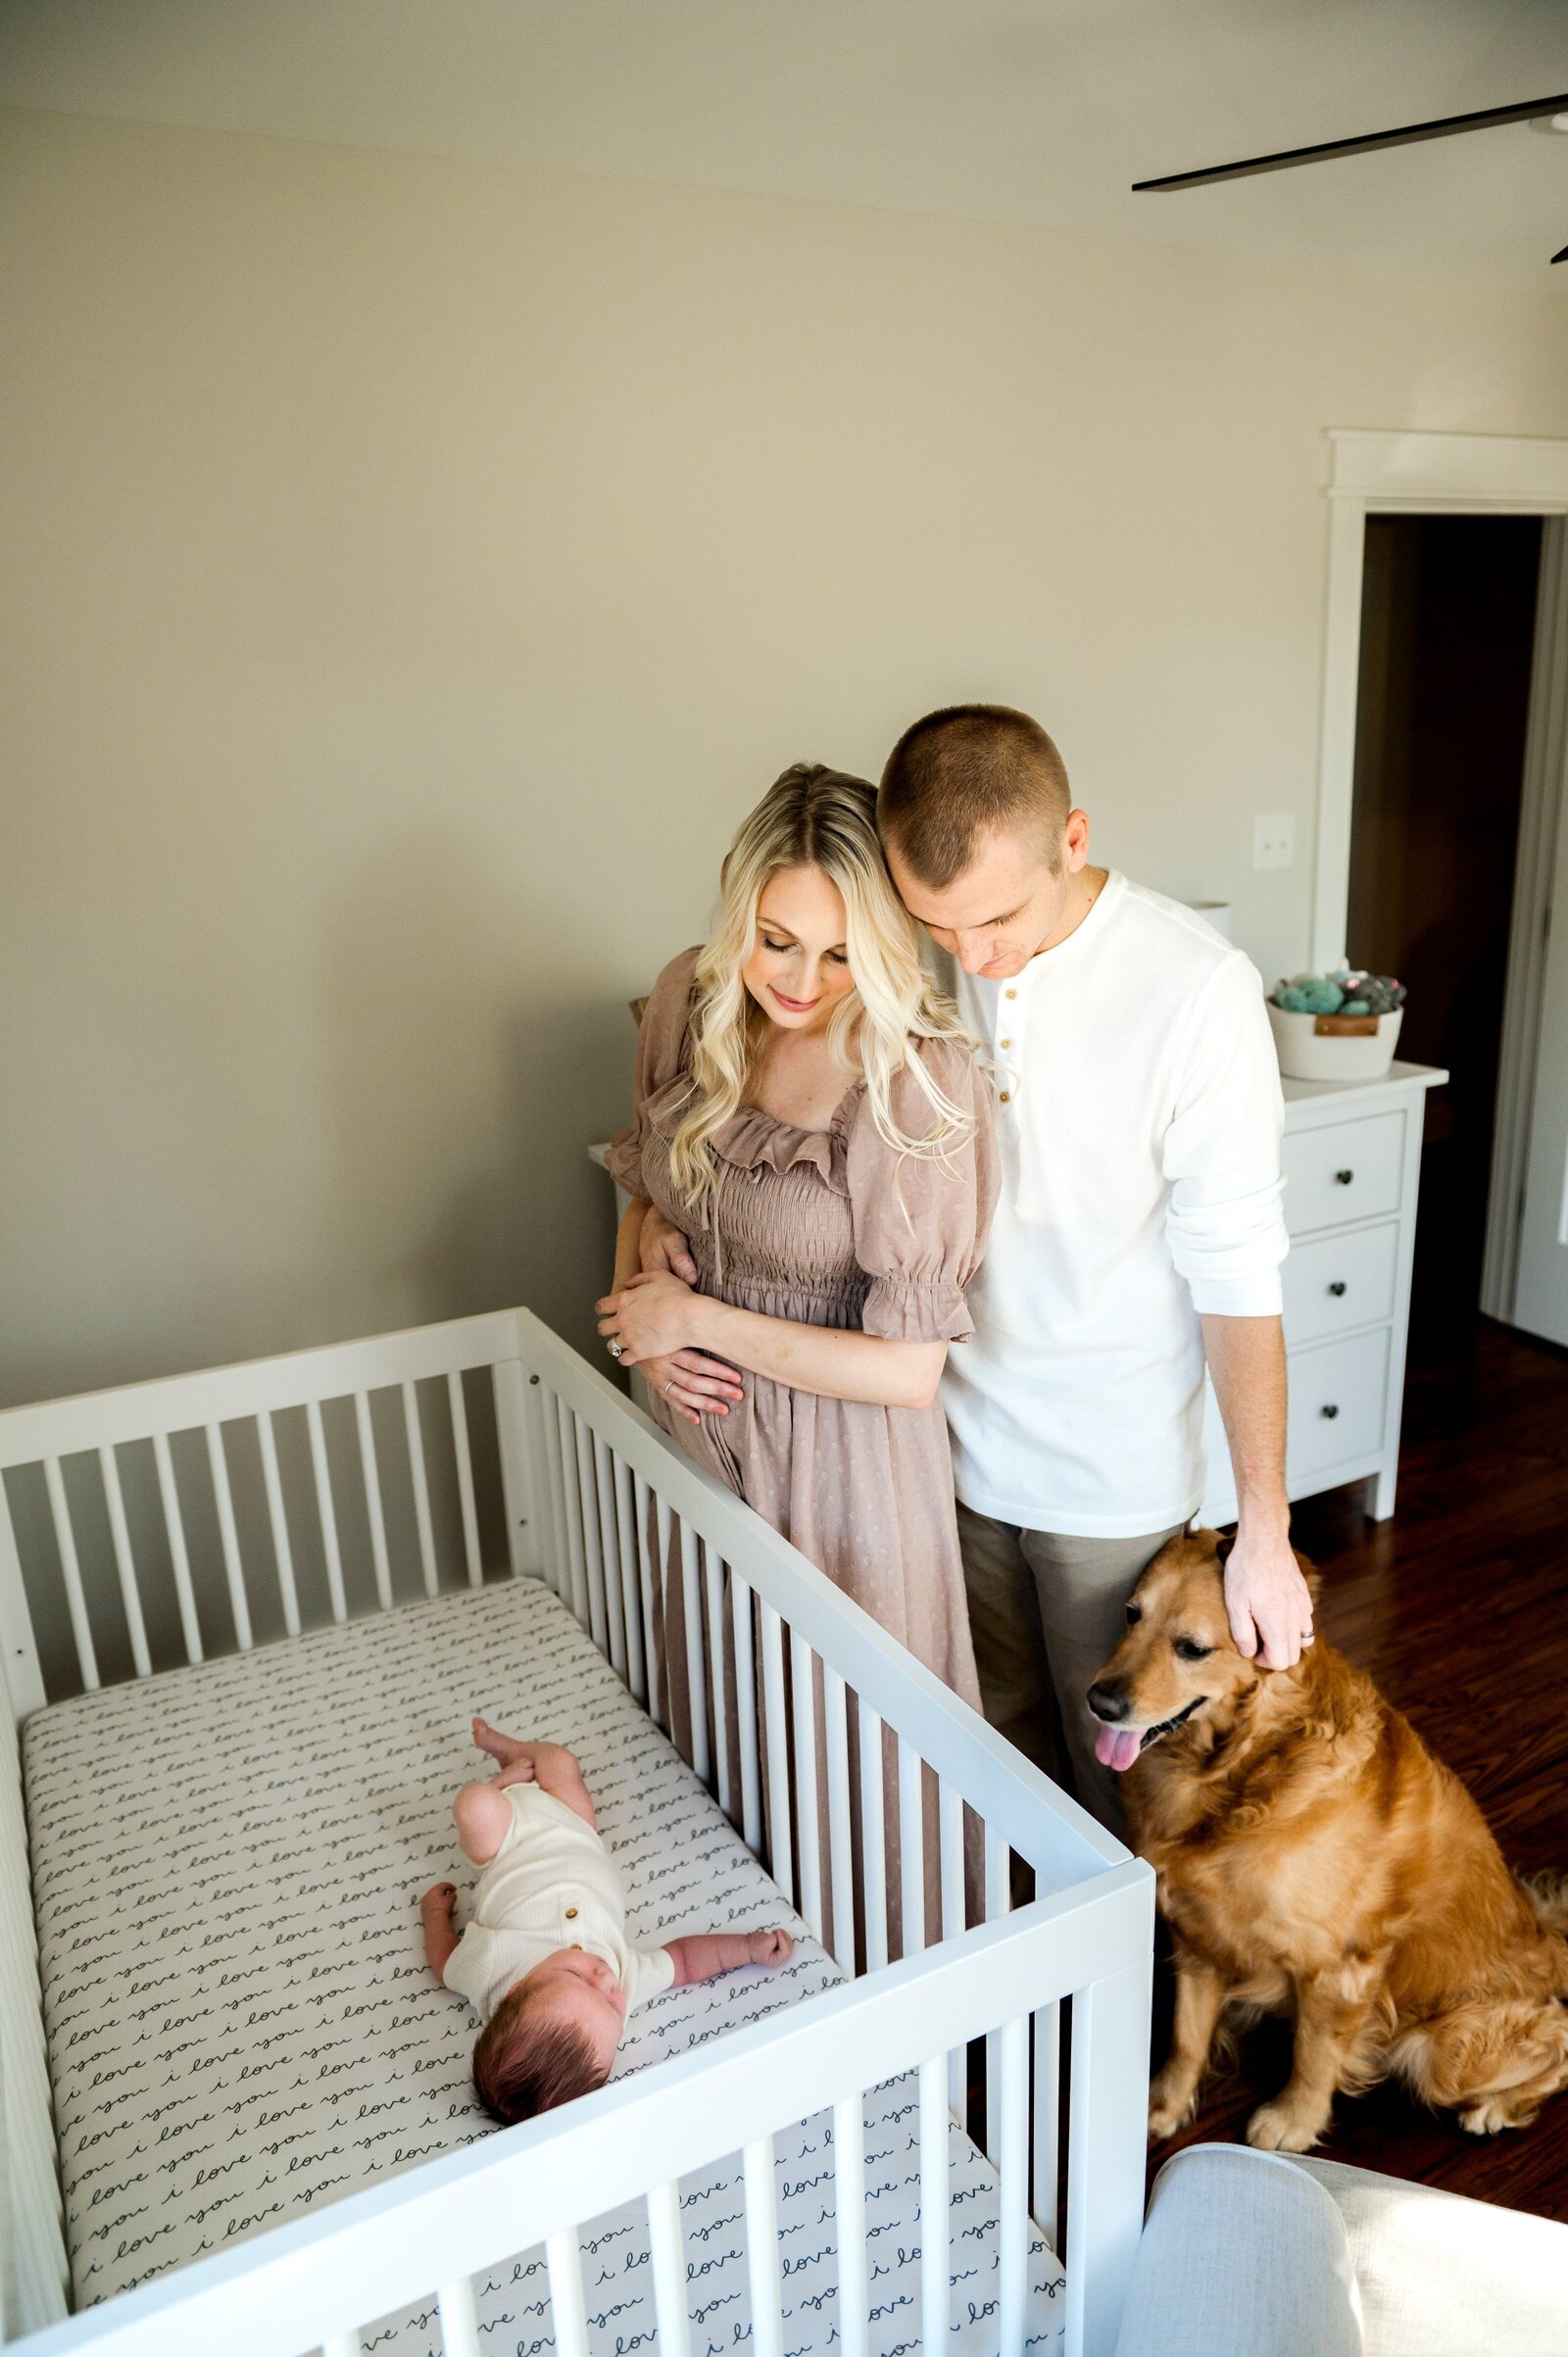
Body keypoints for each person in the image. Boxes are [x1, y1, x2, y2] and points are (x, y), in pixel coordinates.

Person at [873, 703, 1309, 1831]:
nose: (972, 956)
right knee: (990, 1748)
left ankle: (1117, 2004)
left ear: (1072, 839)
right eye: (938, 924)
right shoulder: (923, 960)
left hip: (1108, 1481)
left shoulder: (1196, 990)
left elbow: (1236, 1269)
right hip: (954, 1450)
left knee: (1115, 1784)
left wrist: (1264, 1525)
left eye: (998, 918)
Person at [596, 761, 998, 1717]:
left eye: (841, 953)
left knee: (845, 1752)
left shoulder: (915, 1079)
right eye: (774, 941)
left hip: (845, 1476)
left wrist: (695, 1318)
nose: (801, 982)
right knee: (726, 1726)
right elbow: (645, 1199)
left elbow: (908, 1372)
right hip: (702, 1441)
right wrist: (643, 1333)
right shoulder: (685, 1003)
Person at [420, 1717, 794, 2124]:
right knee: (560, 1761)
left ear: (513, 1992)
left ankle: (506, 1767)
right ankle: (518, 1760)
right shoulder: (626, 1982)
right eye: (614, 2008)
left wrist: (435, 1916)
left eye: (579, 1979)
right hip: (575, 1828)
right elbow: (684, 1961)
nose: (605, 1978)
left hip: (504, 1843)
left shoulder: (491, 1968)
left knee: (474, 1805)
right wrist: (747, 1948)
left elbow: (444, 1965)